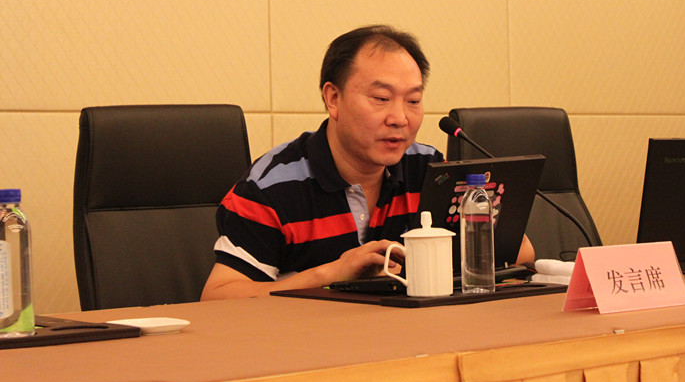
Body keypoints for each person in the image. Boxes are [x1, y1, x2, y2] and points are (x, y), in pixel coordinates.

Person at [201, 25, 534, 300]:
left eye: (413, 100)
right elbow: (218, 298)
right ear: (333, 98)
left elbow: (521, 254)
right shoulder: (272, 186)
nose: (400, 118)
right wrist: (331, 274)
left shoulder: (429, 170)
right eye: (381, 99)